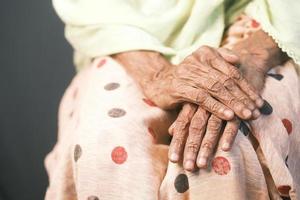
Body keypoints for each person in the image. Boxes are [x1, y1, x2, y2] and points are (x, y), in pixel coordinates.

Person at [45, 0, 300, 199]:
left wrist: (255, 53)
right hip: (124, 36)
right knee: (108, 146)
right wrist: (155, 75)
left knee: (224, 152)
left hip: (269, 24)